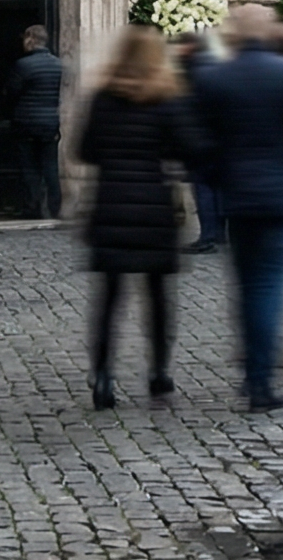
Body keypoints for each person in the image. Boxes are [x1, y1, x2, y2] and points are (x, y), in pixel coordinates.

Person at [188, 4, 283, 411]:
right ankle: (260, 383)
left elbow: (198, 143)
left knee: (248, 287)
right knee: (267, 286)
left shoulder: (215, 78)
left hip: (239, 198)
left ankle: (253, 374)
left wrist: (219, 177)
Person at [75, 27, 203, 409]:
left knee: (109, 299)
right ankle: (159, 373)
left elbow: (85, 150)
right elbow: (189, 148)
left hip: (111, 204)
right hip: (153, 208)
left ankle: (103, 376)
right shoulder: (166, 98)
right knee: (158, 298)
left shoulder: (103, 98)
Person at [173, 32, 226, 252]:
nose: (177, 49)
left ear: (190, 46)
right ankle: (218, 233)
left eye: (181, 45)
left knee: (204, 189)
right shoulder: (215, 67)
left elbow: (190, 108)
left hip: (202, 140)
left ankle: (208, 237)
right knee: (216, 189)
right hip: (218, 140)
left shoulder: (195, 72)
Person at [10, 26, 68, 221]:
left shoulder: (22, 65)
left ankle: (32, 207)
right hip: (50, 122)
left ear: (30, 39)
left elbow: (12, 92)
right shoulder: (58, 65)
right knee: (51, 168)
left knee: (29, 168)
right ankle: (54, 207)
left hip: (26, 122)